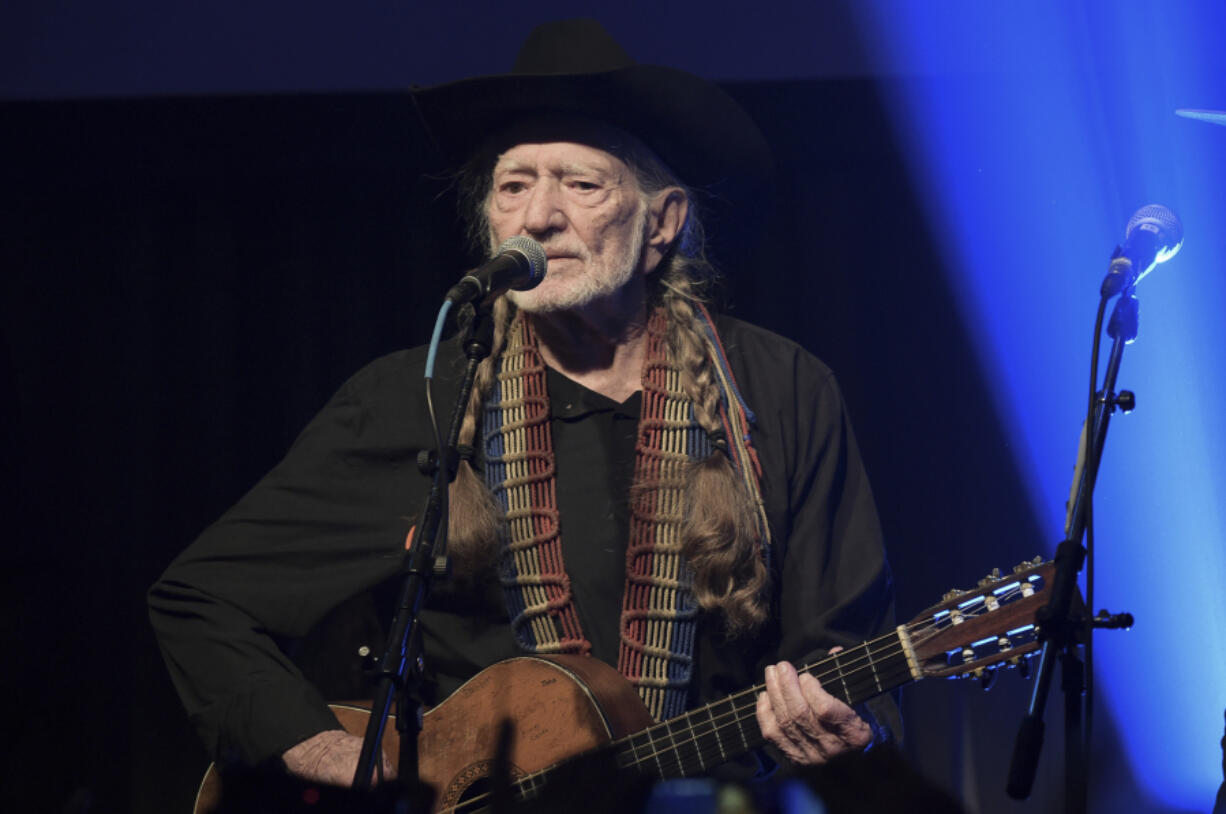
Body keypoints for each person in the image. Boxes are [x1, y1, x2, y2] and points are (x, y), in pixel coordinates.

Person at [149, 18, 897, 793]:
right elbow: (200, 601)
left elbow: (846, 647)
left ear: (662, 223)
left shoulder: (780, 390)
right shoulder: (417, 398)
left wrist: (849, 722)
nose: (539, 216)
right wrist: (334, 753)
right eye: (514, 185)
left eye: (580, 184)